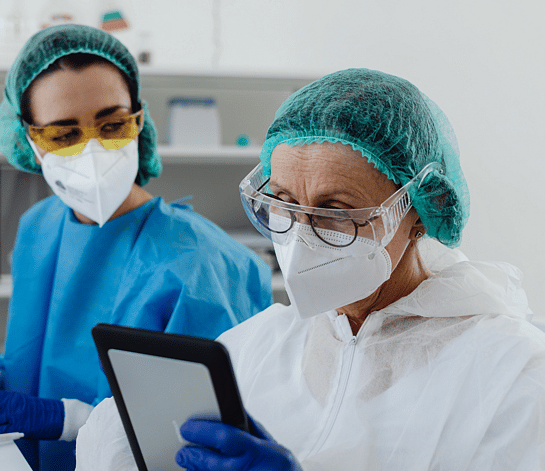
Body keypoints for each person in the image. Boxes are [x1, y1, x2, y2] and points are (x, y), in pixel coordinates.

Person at [76, 68, 545, 470]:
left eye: (335, 212)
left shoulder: (511, 371)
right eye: (282, 205)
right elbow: (111, 440)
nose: (300, 238)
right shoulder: (262, 343)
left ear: (418, 210)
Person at [0, 24, 274, 471]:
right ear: (28, 140)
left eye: (112, 124)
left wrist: (66, 419)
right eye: (63, 135)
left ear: (139, 120)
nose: (93, 149)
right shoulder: (40, 229)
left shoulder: (204, 265)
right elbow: (50, 359)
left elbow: (202, 438)